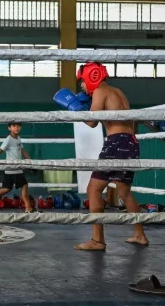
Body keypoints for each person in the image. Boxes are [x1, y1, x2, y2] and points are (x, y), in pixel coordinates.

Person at [54, 61, 148, 251]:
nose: (81, 86)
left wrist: (75, 108)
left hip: (116, 142)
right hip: (130, 141)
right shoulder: (118, 92)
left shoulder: (100, 92)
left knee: (93, 189)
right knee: (125, 192)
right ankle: (140, 235)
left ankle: (97, 240)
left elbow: (91, 123)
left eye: (82, 81)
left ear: (92, 76)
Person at [0, 122, 33, 212]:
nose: (16, 128)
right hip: (13, 168)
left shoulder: (18, 139)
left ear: (21, 127)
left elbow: (22, 150)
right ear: (9, 128)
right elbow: (0, 150)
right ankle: (28, 208)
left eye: (18, 126)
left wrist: (30, 161)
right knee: (24, 185)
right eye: (14, 126)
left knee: (6, 188)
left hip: (16, 168)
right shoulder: (8, 139)